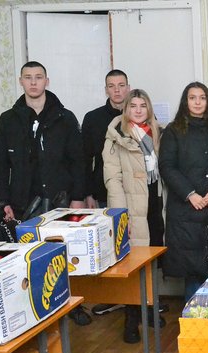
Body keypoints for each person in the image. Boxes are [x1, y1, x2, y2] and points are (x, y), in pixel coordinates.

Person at [0, 61, 88, 325]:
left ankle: (71, 306)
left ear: (47, 81)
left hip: (60, 200)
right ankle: (33, 310)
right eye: (28, 77)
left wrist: (78, 197)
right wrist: (3, 201)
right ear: (21, 81)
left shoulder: (65, 117)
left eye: (38, 77)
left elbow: (78, 161)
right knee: (28, 257)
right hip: (21, 201)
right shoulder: (8, 120)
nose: (33, 82)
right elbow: (0, 164)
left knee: (63, 254)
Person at [103, 89, 165, 343]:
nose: (138, 110)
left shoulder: (158, 133)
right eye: (133, 106)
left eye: (143, 106)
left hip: (155, 205)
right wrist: (121, 216)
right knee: (133, 263)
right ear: (126, 109)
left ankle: (148, 308)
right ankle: (131, 317)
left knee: (152, 260)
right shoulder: (116, 136)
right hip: (131, 207)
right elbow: (112, 179)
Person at [159, 82, 208, 301]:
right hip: (185, 209)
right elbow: (167, 167)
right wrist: (190, 194)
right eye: (192, 98)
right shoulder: (174, 130)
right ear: (185, 102)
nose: (197, 102)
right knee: (192, 270)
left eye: (202, 98)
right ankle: (193, 318)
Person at [82, 69, 130, 317]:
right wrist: (88, 193)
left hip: (137, 192)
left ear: (128, 87)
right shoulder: (93, 118)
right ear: (106, 89)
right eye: (112, 86)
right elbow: (85, 159)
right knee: (110, 246)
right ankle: (115, 297)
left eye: (121, 85)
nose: (117, 90)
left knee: (138, 245)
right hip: (104, 191)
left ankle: (138, 300)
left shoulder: (139, 112)